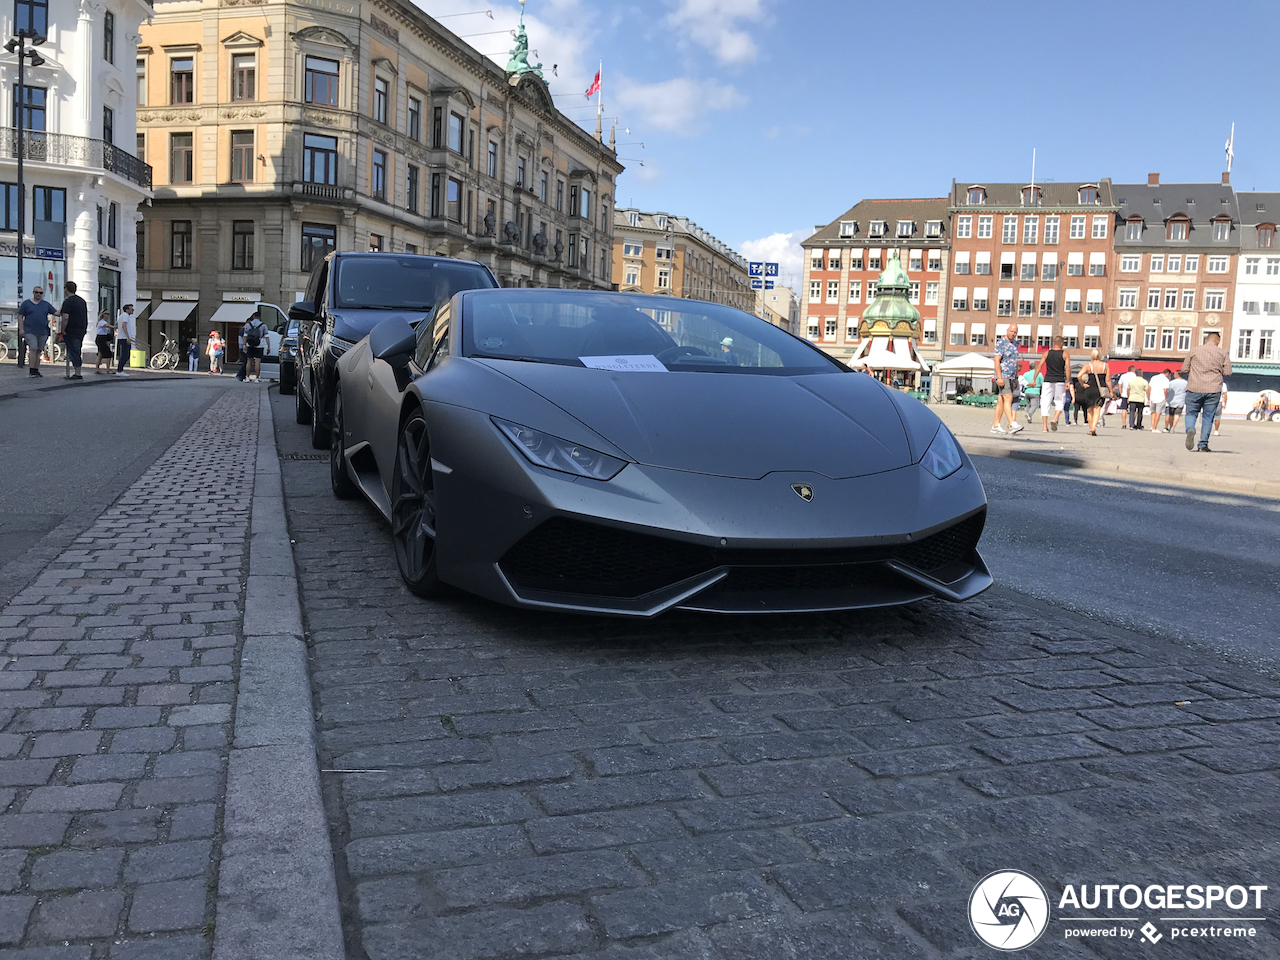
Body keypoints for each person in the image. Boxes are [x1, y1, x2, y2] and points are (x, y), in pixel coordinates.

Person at [1181, 331, 1231, 452]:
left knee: (1191, 413)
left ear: (1206, 340)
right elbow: (1228, 372)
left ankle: (1190, 429)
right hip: (1213, 389)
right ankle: (1203, 444)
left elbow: (1184, 368)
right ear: (1217, 341)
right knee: (1208, 418)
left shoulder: (1194, 350)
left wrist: (1195, 372)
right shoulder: (1223, 352)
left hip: (1194, 387)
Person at [1031, 335, 1071, 432]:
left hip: (1048, 380)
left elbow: (1039, 366)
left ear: (1054, 343)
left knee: (1045, 402)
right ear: (1062, 344)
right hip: (1059, 380)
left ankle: (1045, 427)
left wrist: (1034, 379)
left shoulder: (1047, 353)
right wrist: (1068, 381)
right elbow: (1068, 368)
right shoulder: (1065, 354)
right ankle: (1055, 419)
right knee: (1060, 401)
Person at [990, 324, 1024, 435]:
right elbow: (996, 360)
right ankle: (1012, 423)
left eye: (1015, 332)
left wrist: (1016, 377)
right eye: (1011, 331)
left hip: (1011, 375)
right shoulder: (1001, 343)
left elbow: (1015, 361)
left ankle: (996, 425)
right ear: (1007, 330)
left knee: (1002, 400)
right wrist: (999, 377)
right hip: (1003, 374)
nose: (1013, 334)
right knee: (1008, 397)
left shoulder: (1015, 344)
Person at [18, 286, 57, 378]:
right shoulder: (26, 303)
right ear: (33, 292)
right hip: (30, 330)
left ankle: (36, 369)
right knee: (33, 348)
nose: (38, 294)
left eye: (40, 293)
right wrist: (21, 329)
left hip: (43, 331)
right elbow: (20, 316)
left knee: (39, 350)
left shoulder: (45, 304)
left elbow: (56, 313)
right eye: (36, 292)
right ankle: (32, 370)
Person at [57, 281, 89, 380]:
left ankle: (77, 373)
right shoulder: (82, 301)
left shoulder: (68, 301)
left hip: (71, 329)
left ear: (66, 289)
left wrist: (62, 329)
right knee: (77, 349)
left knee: (73, 350)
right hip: (81, 329)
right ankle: (77, 371)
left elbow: (65, 317)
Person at [1077, 348, 1111, 436]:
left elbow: (1079, 375)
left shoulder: (1088, 365)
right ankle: (1094, 428)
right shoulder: (1105, 365)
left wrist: (1083, 384)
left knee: (1089, 409)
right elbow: (1108, 380)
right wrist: (1111, 390)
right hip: (1100, 389)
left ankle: (1090, 427)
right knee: (1097, 409)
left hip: (1090, 388)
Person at [1146, 368, 1171, 433]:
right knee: (1158, 413)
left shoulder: (1154, 377)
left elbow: (1149, 387)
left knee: (1153, 412)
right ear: (1168, 373)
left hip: (1153, 396)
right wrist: (1166, 397)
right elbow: (1165, 390)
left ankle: (1152, 426)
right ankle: (1155, 427)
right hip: (1160, 397)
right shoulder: (1165, 379)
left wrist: (1149, 397)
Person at [115, 304, 134, 376]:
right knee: (125, 355)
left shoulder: (122, 316)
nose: (132, 310)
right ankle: (119, 370)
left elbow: (117, 324)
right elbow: (124, 325)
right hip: (124, 338)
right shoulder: (125, 316)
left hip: (122, 337)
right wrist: (127, 337)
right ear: (127, 310)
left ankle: (120, 369)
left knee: (125, 354)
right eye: (131, 309)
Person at [94, 309, 115, 374]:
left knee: (100, 354)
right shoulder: (102, 322)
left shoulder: (102, 322)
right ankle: (108, 369)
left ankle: (97, 369)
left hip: (101, 339)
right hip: (101, 339)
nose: (108, 316)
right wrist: (115, 326)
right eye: (107, 314)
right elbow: (108, 326)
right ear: (104, 315)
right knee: (108, 354)